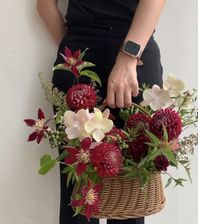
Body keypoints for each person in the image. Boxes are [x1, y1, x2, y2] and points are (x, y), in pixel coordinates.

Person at [36, 0, 165, 223]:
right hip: (137, 55)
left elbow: (44, 5)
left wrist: (75, 56)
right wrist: (129, 55)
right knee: (130, 194)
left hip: (90, 53)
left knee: (80, 193)